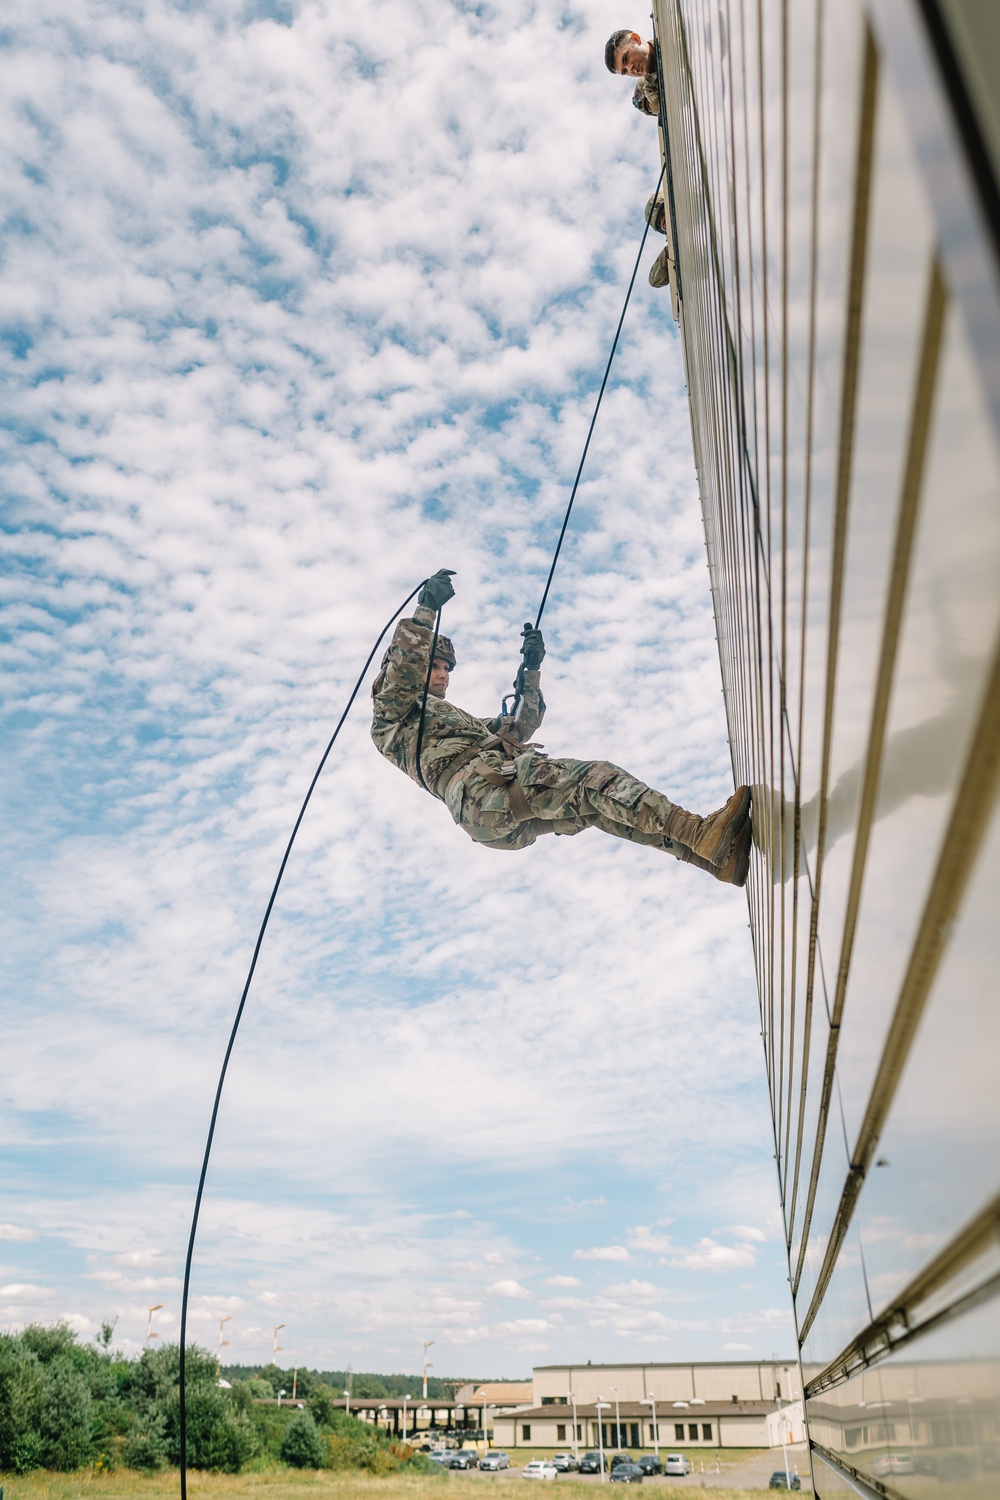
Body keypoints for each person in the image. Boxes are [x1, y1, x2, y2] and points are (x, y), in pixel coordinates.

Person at [370, 571, 752, 885]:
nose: (441, 675)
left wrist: (531, 669)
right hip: (481, 794)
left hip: (491, 809)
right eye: (433, 665)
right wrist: (425, 610)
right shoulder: (391, 715)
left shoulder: (453, 722)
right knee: (595, 779)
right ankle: (700, 834)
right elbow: (403, 673)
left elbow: (518, 726)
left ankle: (711, 860)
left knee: (597, 807)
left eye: (445, 669)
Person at [605, 29, 660, 119]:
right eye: (624, 71)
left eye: (626, 58)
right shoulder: (651, 91)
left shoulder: (669, 27)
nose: (630, 69)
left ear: (635, 38)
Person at [644, 190, 671, 289]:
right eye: (659, 224)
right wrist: (669, 252)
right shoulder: (673, 247)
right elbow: (654, 280)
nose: (662, 223)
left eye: (662, 214)